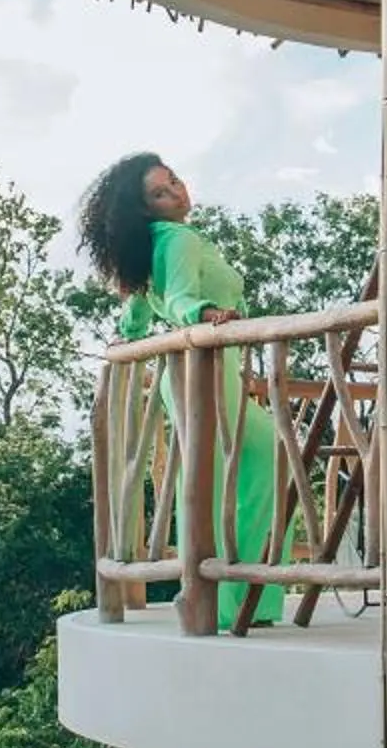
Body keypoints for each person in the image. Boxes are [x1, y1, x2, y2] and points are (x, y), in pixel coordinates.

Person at [77, 153, 284, 631]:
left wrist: (128, 336)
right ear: (145, 210)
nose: (176, 192)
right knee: (261, 459)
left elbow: (142, 307)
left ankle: (226, 595)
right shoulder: (175, 238)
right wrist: (203, 313)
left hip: (203, 371)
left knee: (218, 475)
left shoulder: (155, 242)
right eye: (160, 192)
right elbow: (178, 298)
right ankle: (231, 596)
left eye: (173, 181)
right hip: (202, 369)